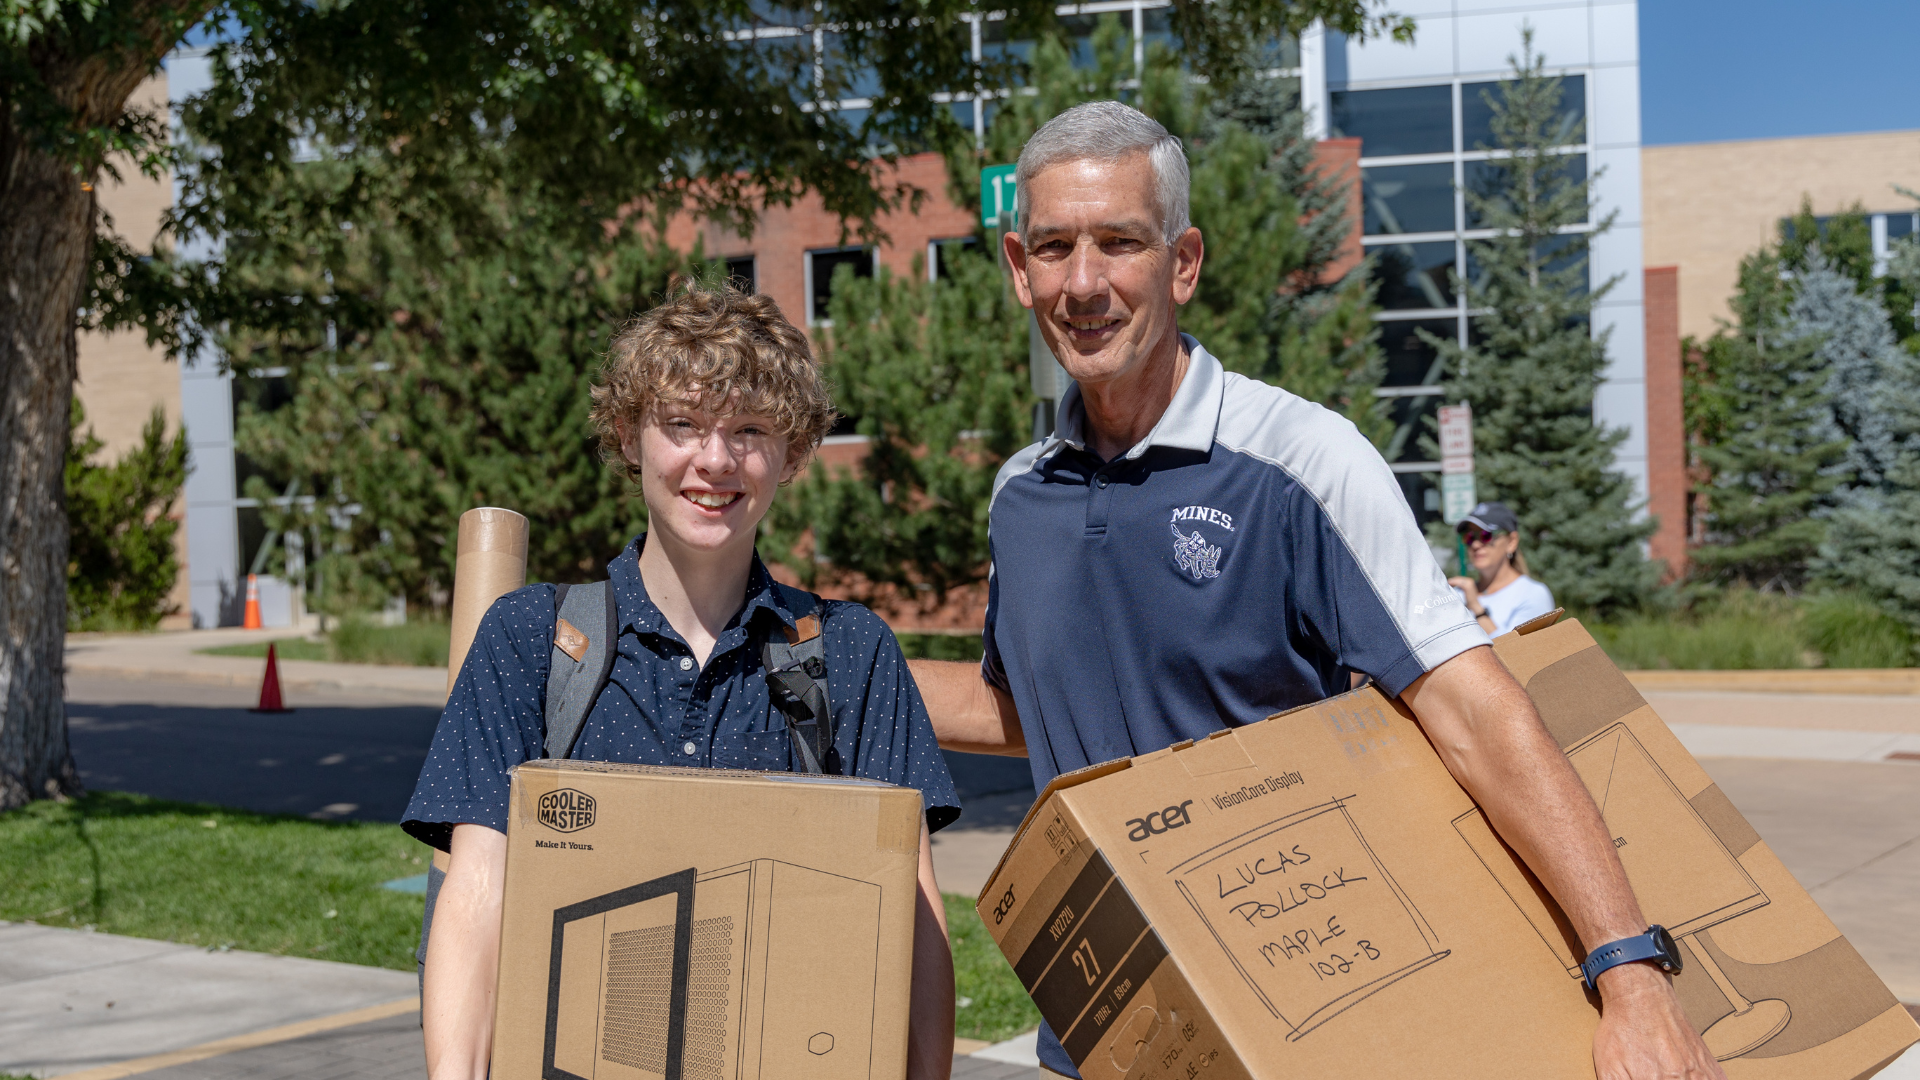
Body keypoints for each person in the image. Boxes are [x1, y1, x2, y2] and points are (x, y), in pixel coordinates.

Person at [907, 101, 1724, 1080]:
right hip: (1100, 1034)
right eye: (1054, 247)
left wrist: (1630, 972)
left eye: (1119, 242)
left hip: (1301, 1021)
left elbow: (1469, 708)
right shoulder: (1021, 496)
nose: (1084, 283)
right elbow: (1032, 709)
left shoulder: (1302, 462)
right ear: (1017, 267)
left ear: (1183, 263)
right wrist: (833, 660)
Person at [402, 285, 961, 1080]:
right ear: (630, 436)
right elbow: (477, 888)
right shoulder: (532, 640)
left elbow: (911, 906)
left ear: (795, 453)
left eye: (751, 430)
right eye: (683, 425)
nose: (716, 459)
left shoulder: (850, 652)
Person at [1449, 500, 1557, 636]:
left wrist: (1476, 608)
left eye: (1486, 535)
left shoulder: (1532, 594)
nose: (1476, 545)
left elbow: (1517, 653)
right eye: (1469, 537)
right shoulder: (1459, 594)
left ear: (1512, 541)